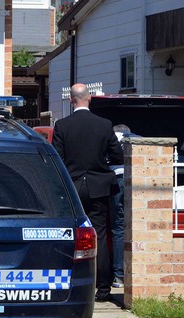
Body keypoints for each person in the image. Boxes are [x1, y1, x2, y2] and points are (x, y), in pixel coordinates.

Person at [52, 84, 123, 302]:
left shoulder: (62, 125)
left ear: (72, 100)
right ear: (89, 98)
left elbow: (57, 159)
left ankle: (69, 285)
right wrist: (101, 163)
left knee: (69, 236)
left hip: (72, 187)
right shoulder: (104, 125)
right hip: (98, 186)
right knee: (99, 235)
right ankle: (103, 289)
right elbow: (118, 156)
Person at [108, 124, 135, 288]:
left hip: (114, 178)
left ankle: (119, 276)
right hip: (134, 178)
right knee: (136, 226)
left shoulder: (108, 139)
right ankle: (135, 272)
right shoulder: (137, 138)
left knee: (118, 226)